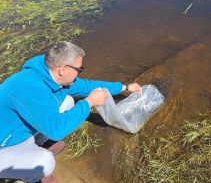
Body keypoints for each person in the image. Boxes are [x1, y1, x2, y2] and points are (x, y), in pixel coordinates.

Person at [0, 41, 141, 183]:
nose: (80, 73)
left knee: (68, 102)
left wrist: (125, 87)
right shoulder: (30, 89)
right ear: (63, 69)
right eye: (79, 69)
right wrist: (89, 102)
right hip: (5, 144)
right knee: (44, 162)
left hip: (17, 130)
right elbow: (57, 130)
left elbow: (87, 85)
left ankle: (37, 145)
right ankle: (30, 176)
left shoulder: (50, 73)